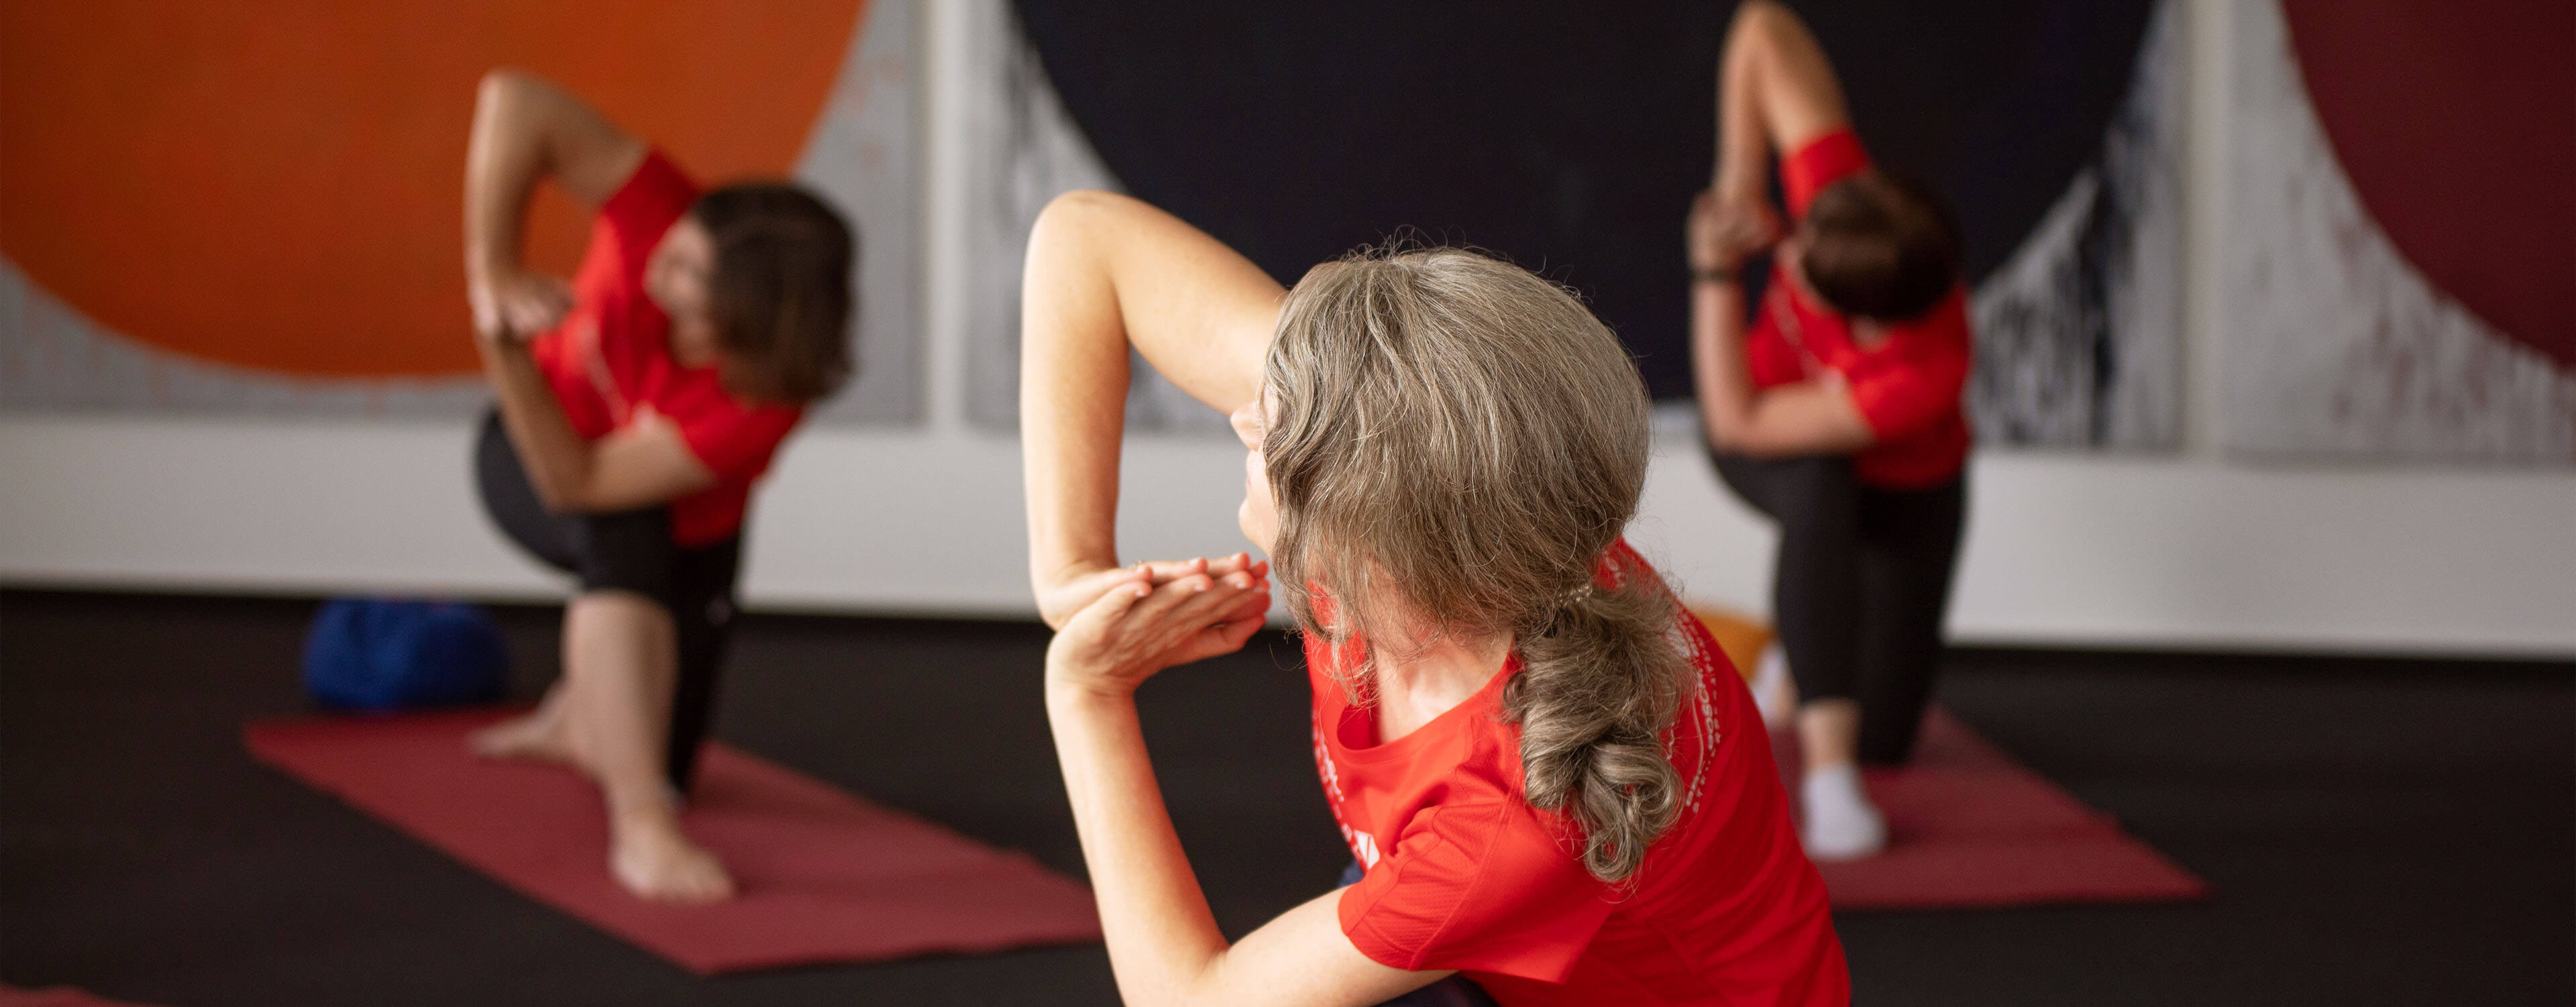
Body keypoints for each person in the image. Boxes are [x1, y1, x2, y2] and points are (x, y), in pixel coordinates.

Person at [1020, 191, 1849, 1006]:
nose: (1245, 422)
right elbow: (1084, 240)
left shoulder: (1504, 823)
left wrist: (1087, 692)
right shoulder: (1465, 504)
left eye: (1272, 428)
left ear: (1369, 544)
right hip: (1489, 925)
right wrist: (1070, 572)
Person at [458, 69, 856, 902]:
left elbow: (584, 483)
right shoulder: (660, 213)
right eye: (672, 253)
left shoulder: (760, 400)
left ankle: (583, 719)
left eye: (685, 277)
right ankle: (641, 828)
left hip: (681, 533)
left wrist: (501, 345)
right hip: (529, 446)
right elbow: (514, 102)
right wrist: (492, 278)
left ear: (742, 323)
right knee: (621, 529)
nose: (655, 273)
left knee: (667, 755)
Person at [1686, 1, 1974, 861]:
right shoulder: (1846, 200)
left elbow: (1752, 416)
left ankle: (1808, 679)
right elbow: (1763, 27)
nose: (1791, 257)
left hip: (1908, 492)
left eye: (1807, 275)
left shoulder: (1919, 373)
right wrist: (1738, 184)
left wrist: (1712, 264)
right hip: (1768, 440)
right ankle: (1829, 775)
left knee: (1891, 734)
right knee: (1819, 475)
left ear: (1872, 328)